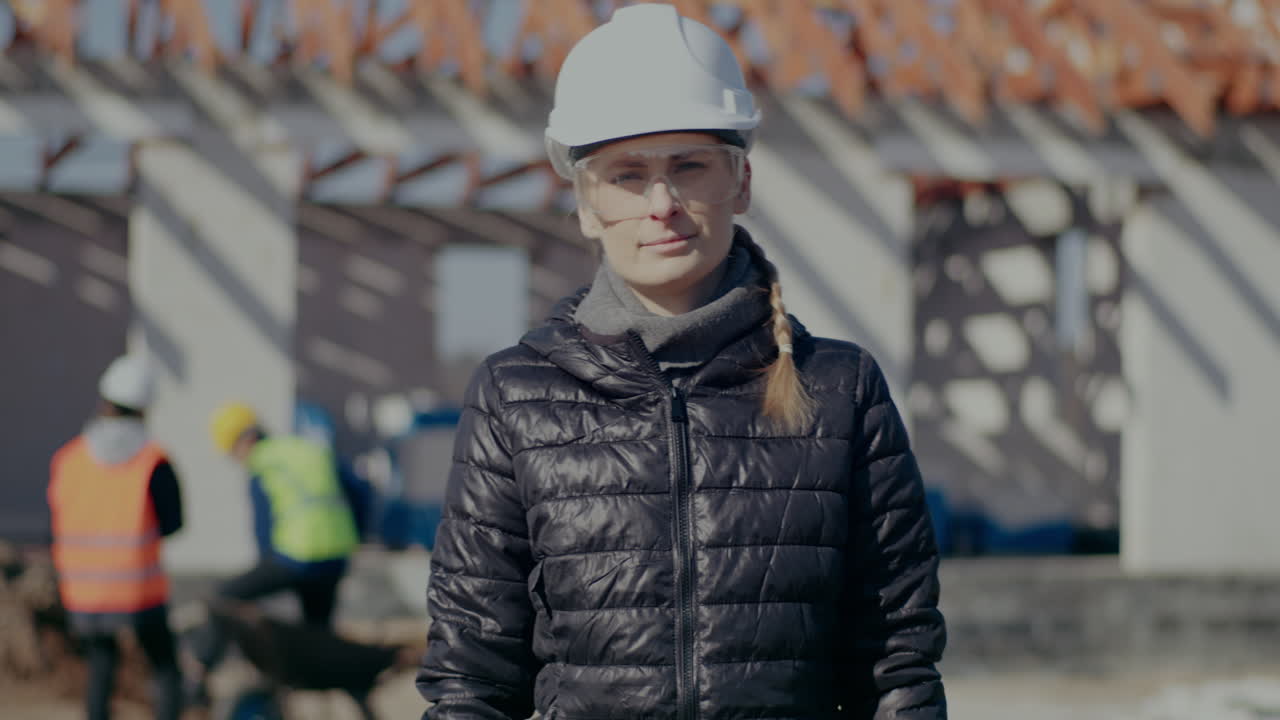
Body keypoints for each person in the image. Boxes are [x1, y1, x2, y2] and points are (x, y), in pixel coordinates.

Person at [417, 5, 947, 720]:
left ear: (742, 182)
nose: (660, 203)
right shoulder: (516, 396)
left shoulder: (841, 391)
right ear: (584, 203)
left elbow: (897, 664)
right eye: (627, 175)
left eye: (689, 167)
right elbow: (470, 677)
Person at [48, 354, 185, 720]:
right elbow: (173, 522)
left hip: (82, 591)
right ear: (145, 408)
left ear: (104, 401)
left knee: (100, 667)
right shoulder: (153, 460)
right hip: (137, 588)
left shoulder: (69, 458)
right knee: (164, 665)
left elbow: (59, 517)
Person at [206, 401, 368, 628]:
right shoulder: (310, 448)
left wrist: (266, 566)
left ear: (246, 441)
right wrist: (357, 535)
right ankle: (317, 660)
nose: (236, 459)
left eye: (233, 452)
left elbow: (264, 526)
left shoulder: (263, 462)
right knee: (318, 629)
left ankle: (201, 661)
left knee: (223, 598)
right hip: (337, 557)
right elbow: (359, 490)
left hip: (296, 558)